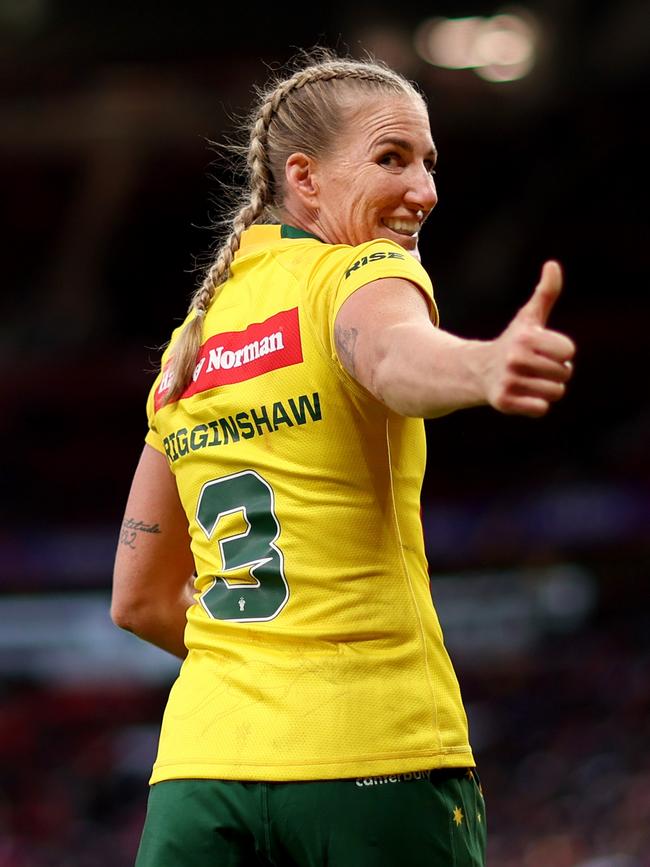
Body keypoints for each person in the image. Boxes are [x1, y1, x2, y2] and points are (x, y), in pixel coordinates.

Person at [112, 49, 575, 867]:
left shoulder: (190, 346)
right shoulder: (356, 271)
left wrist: (261, 657)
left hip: (199, 773)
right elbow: (396, 356)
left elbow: (139, 600)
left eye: (430, 163)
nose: (424, 191)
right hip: (371, 754)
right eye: (392, 159)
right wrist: (485, 365)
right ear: (306, 178)